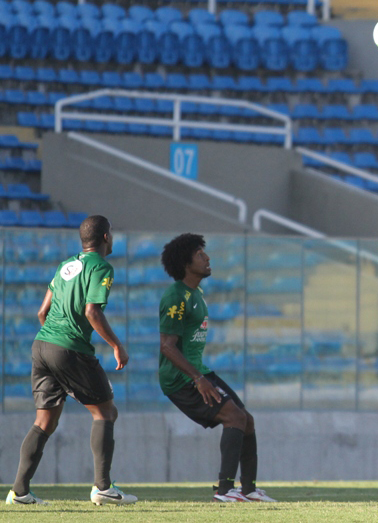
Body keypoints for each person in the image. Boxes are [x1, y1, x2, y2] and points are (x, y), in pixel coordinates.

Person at [6, 215, 137, 506]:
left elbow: (43, 312)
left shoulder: (66, 264)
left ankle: (19, 492)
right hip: (69, 349)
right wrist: (117, 346)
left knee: (44, 421)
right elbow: (92, 312)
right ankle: (103, 487)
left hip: (42, 345)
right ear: (105, 237)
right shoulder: (102, 267)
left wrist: (54, 341)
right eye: (111, 233)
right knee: (105, 413)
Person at [159, 233, 275, 503]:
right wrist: (198, 378)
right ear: (186, 263)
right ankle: (224, 491)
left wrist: (201, 374)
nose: (207, 257)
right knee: (234, 418)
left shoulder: (195, 293)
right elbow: (167, 346)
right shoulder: (176, 296)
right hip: (181, 378)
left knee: (246, 420)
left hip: (200, 370)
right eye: (200, 254)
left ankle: (248, 490)